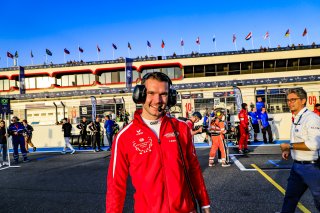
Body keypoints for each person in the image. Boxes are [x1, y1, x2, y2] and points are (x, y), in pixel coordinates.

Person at [106, 72, 210, 212]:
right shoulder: (124, 137)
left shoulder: (182, 128)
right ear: (140, 95)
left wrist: (204, 203)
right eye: (151, 93)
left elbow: (194, 169)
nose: (157, 100)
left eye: (164, 94)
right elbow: (115, 184)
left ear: (171, 97)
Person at [280, 88, 320, 212]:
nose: (290, 103)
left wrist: (289, 146)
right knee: (289, 199)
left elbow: (314, 145)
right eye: (288, 100)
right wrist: (288, 150)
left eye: (293, 100)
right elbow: (297, 138)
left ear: (303, 100)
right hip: (297, 167)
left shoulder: (312, 118)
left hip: (313, 168)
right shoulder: (297, 117)